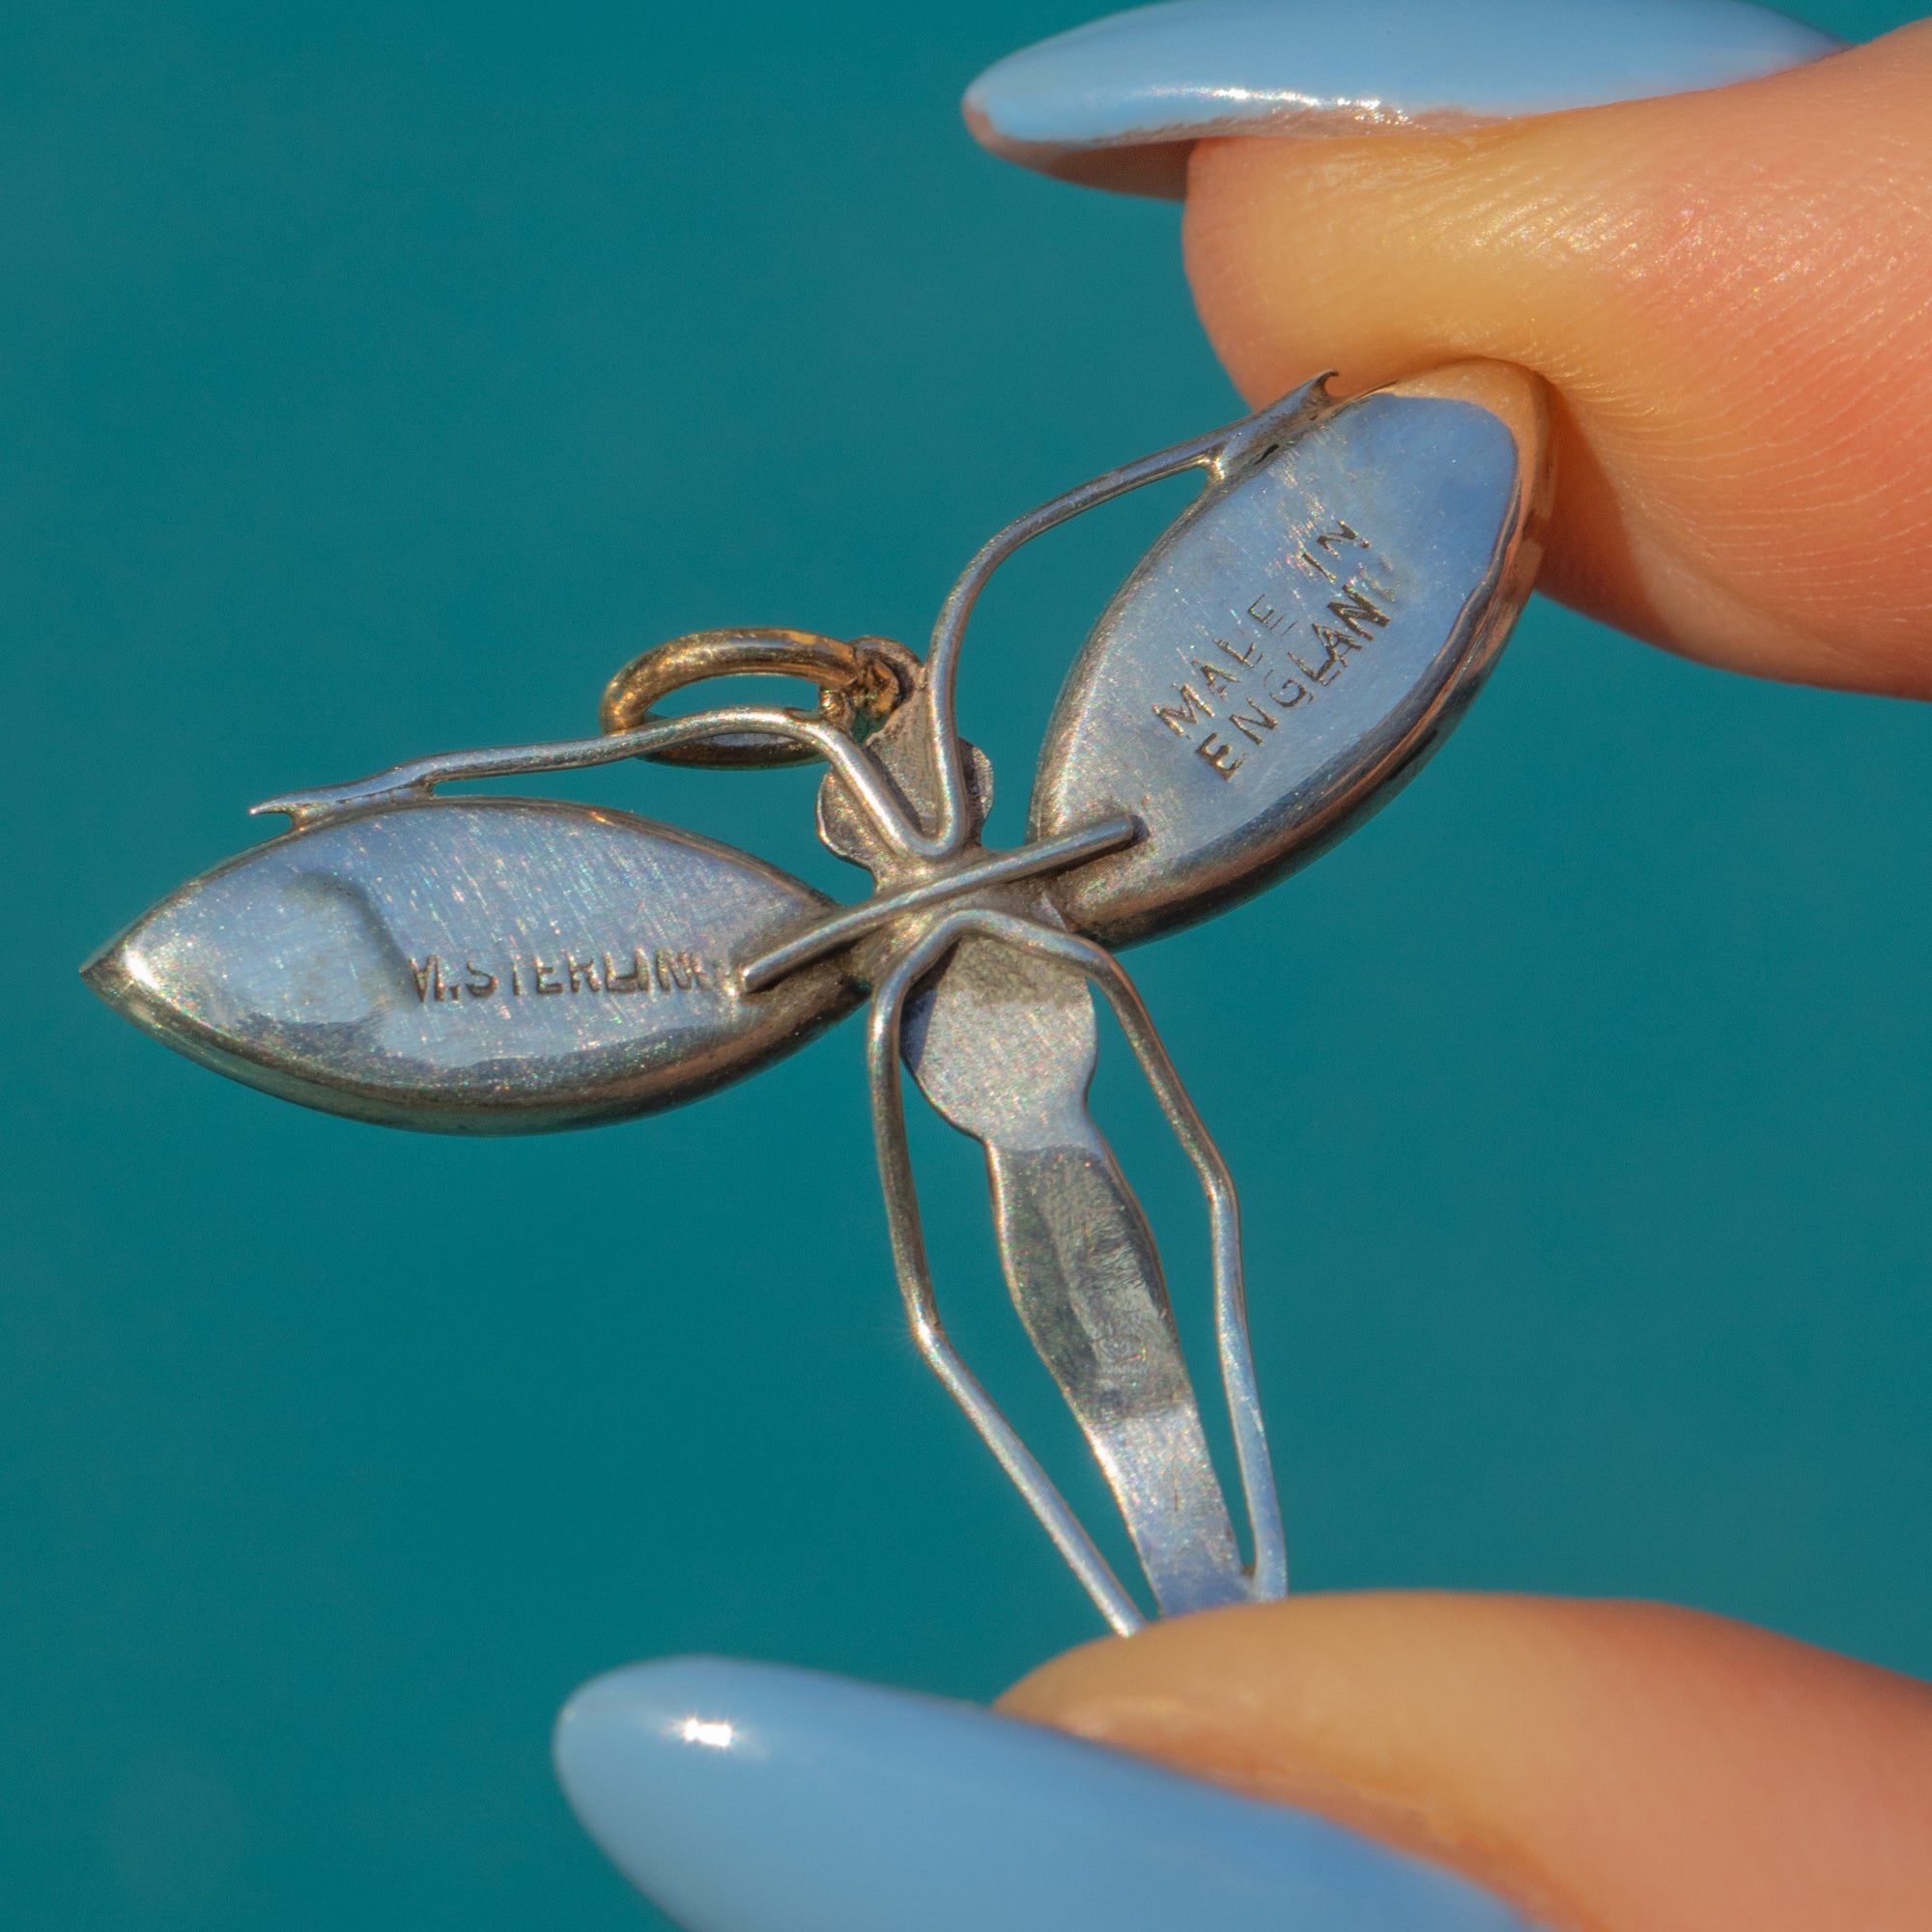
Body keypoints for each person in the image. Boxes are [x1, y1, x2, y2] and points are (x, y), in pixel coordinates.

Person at [554, 9, 1932, 1926]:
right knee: (963, 1317)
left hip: (1044, 994)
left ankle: (1216, 1607)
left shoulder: (1045, 800)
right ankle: (1192, 1607)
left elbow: (1059, 567)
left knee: (1192, 1199)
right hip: (965, 1038)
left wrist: (1249, 459)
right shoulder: (839, 932)